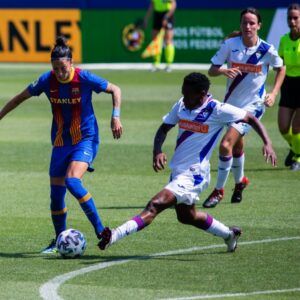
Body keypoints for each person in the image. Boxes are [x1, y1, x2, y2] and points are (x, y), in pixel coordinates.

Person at [98, 72, 276, 252]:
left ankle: (114, 235)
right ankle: (229, 234)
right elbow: (164, 128)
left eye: (188, 94)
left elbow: (250, 118)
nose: (184, 97)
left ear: (202, 93)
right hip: (178, 172)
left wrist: (267, 143)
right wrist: (157, 151)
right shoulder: (182, 105)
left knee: (155, 205)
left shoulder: (217, 109)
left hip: (195, 174)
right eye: (183, 92)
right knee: (186, 216)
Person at [0, 36, 123, 253]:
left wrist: (115, 116)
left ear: (71, 63)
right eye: (55, 68)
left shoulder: (84, 78)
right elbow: (20, 98)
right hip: (60, 143)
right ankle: (59, 241)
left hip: (85, 139)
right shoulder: (47, 81)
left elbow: (115, 89)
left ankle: (102, 231)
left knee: (72, 182)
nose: (59, 72)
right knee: (56, 197)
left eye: (63, 67)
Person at [202, 7, 286, 208]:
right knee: (237, 145)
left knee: (225, 145)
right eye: (244, 23)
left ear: (259, 25)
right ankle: (240, 182)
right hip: (231, 105)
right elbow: (211, 70)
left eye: (252, 23)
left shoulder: (267, 50)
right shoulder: (230, 45)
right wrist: (223, 70)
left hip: (253, 107)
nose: (248, 26)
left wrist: (273, 94)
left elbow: (280, 68)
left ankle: (218, 190)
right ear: (240, 24)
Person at [278, 3, 300, 171]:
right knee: (284, 127)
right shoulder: (284, 39)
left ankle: (298, 158)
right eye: (290, 18)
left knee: (297, 127)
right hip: (288, 86)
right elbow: (280, 63)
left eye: (296, 18)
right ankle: (295, 148)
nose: (292, 21)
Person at [143, 0, 176, 72]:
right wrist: (146, 19)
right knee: (155, 40)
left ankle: (169, 65)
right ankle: (156, 64)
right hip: (157, 14)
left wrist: (166, 17)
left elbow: (173, 4)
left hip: (167, 14)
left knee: (168, 40)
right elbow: (152, 5)